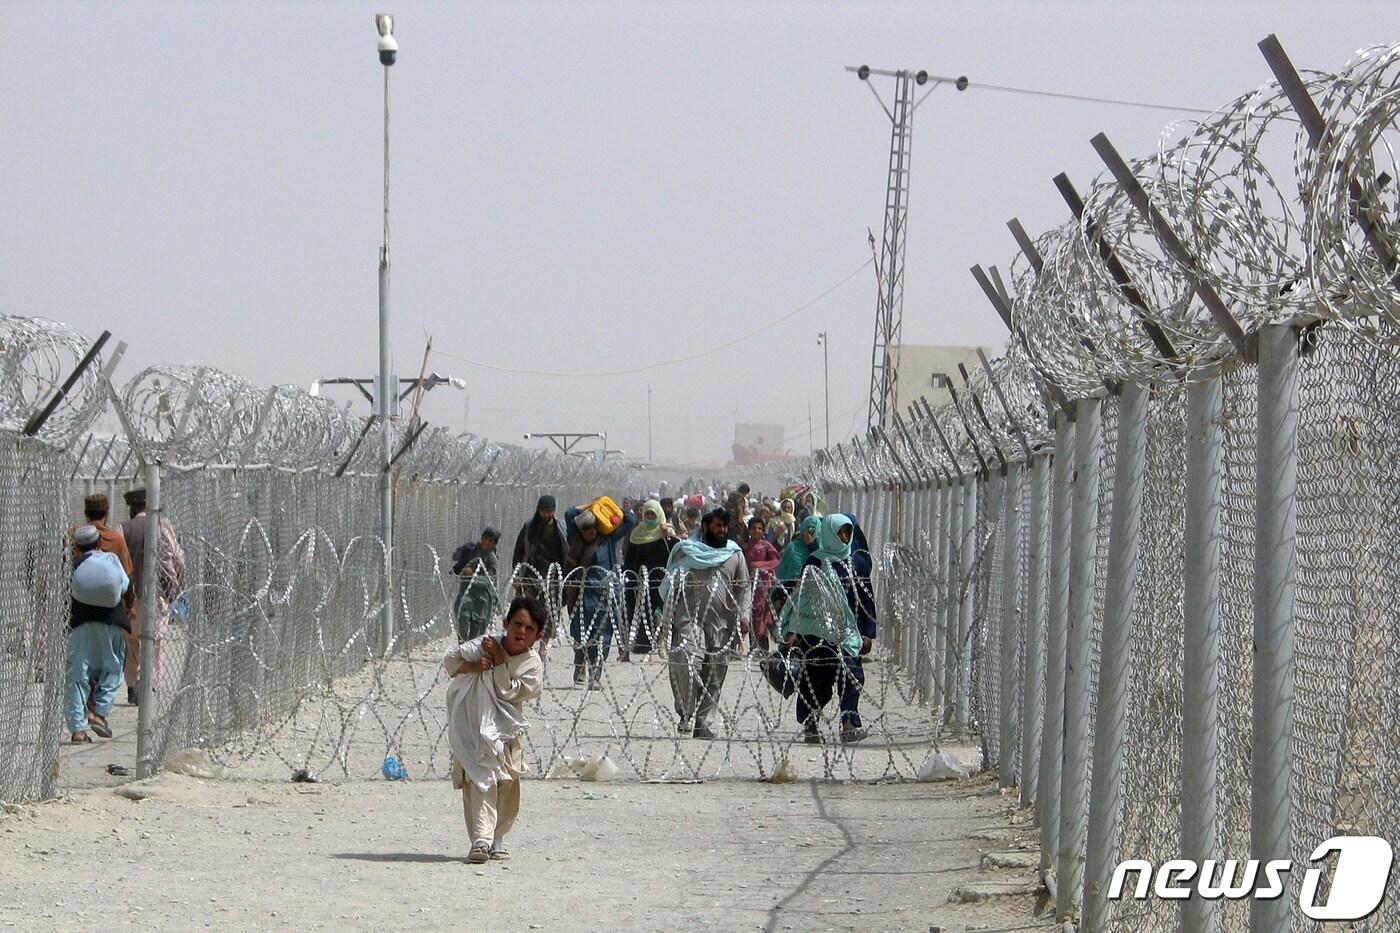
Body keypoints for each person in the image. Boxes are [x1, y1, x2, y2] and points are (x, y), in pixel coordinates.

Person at [444, 595, 546, 864]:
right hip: (476, 729)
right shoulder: (486, 644)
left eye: (529, 629)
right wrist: (476, 665)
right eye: (517, 624)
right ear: (506, 623)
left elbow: (509, 692)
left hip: (506, 733)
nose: (521, 632)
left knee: (507, 785)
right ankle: (480, 839)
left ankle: (496, 837)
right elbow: (451, 662)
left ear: (538, 635)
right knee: (479, 780)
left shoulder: (532, 665)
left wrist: (499, 660)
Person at [777, 514, 868, 745]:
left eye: (848, 533)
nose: (845, 537)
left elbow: (866, 600)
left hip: (847, 631)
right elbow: (803, 599)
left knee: (852, 675)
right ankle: (810, 723)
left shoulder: (854, 561)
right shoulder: (815, 562)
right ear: (829, 534)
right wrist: (795, 630)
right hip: (816, 632)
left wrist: (868, 631)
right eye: (841, 533)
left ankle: (849, 723)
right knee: (818, 681)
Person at [661, 507, 750, 739]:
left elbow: (743, 587)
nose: (722, 530)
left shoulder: (734, 554)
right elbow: (671, 582)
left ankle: (702, 721)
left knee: (715, 673)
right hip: (690, 619)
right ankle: (686, 713)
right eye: (717, 526)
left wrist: (744, 616)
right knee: (688, 663)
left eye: (724, 526)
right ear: (705, 527)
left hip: (722, 623)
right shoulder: (688, 551)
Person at [117, 488, 186, 706]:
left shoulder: (124, 528)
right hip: (158, 595)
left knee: (132, 642)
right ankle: (151, 685)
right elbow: (178, 558)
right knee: (156, 643)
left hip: (129, 595)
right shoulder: (162, 527)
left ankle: (131, 685)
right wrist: (179, 584)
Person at [65, 525, 130, 743]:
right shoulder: (111, 560)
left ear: (76, 547)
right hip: (111, 623)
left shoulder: (74, 565)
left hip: (81, 625)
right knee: (113, 669)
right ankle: (100, 713)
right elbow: (124, 586)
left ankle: (78, 730)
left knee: (77, 676)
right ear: (99, 542)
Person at [563, 503, 636, 688]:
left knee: (603, 637)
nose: (590, 535)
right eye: (586, 532)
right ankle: (580, 665)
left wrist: (609, 507)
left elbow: (630, 520)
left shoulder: (608, 539)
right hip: (583, 594)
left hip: (605, 595)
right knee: (581, 634)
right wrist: (592, 505)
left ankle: (595, 676)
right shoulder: (576, 540)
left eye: (592, 531)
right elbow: (569, 513)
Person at [622, 499, 677, 659]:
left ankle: (662, 643)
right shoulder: (636, 534)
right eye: (648, 514)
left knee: (661, 613)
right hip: (641, 580)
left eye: (654, 513)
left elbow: (676, 552)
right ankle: (638, 645)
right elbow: (630, 559)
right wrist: (630, 579)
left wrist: (669, 536)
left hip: (660, 579)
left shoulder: (665, 531)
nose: (651, 516)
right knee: (639, 613)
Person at [510, 496, 568, 601]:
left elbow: (565, 551)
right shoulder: (529, 527)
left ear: (554, 511)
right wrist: (517, 574)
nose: (546, 514)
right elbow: (519, 551)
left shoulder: (560, 528)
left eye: (549, 511)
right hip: (531, 574)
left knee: (548, 611)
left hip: (551, 576)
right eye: (543, 511)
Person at [451, 528, 500, 642]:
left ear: (494, 544)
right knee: (462, 619)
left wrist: (473, 576)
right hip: (466, 594)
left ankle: (471, 653)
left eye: (491, 541)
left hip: (482, 599)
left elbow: (490, 580)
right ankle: (462, 647)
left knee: (476, 631)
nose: (487, 543)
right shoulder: (472, 550)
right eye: (485, 539)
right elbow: (455, 557)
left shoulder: (491, 558)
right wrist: (464, 550)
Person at [741, 516, 781, 653]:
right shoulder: (745, 546)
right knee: (749, 612)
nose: (756, 531)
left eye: (759, 528)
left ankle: (761, 645)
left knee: (761, 613)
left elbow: (776, 561)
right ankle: (753, 644)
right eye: (753, 528)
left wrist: (761, 565)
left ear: (763, 531)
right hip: (747, 584)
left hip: (762, 585)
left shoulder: (766, 546)